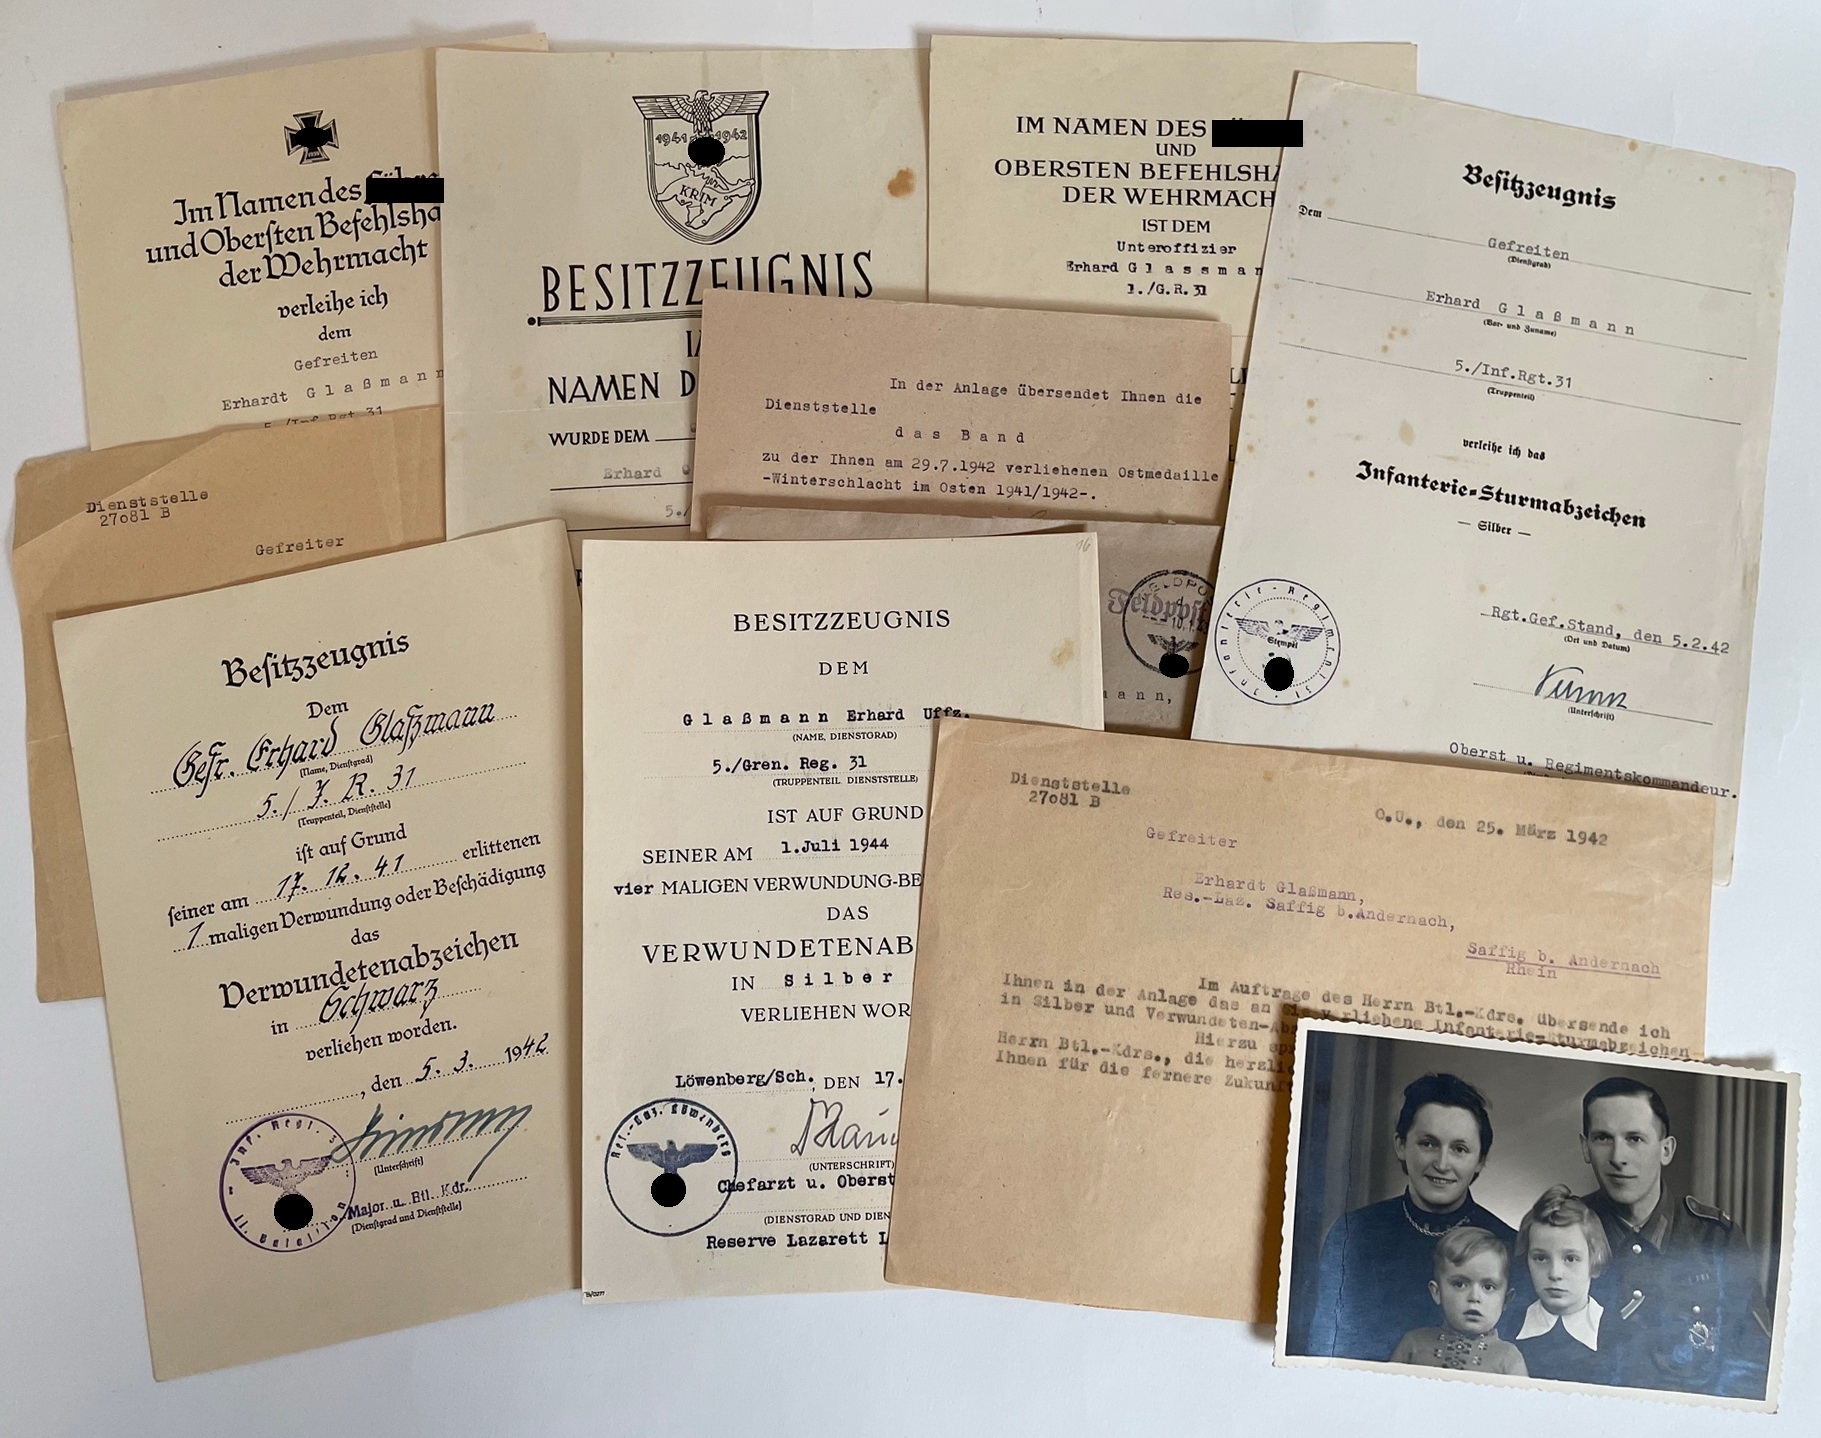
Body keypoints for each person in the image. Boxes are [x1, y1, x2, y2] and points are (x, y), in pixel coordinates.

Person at [1578, 1075, 1773, 1398]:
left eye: (1635, 1138)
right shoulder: (1563, 1232)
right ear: (1585, 1147)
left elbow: (1753, 1361)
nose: (1618, 1157)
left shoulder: (1714, 1238)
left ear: (1666, 1150)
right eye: (1602, 1138)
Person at [1303, 1072, 1517, 1360]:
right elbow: (1323, 1351)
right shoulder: (1353, 1234)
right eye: (1428, 1143)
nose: (1442, 1164)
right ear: (1401, 1145)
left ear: (1480, 1160)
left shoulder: (1509, 1246)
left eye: (1459, 1149)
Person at [1510, 1185, 1615, 1383]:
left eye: (1571, 1259)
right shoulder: (1507, 1328)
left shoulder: (1620, 1335)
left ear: (1594, 1261)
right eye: (1541, 1258)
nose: (1555, 1274)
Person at [1389, 1227, 1528, 1375]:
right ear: (1437, 1292)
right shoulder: (1414, 1344)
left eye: (1488, 1287)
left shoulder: (1508, 1357)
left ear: (1506, 1300)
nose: (1474, 1297)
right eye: (1460, 1284)